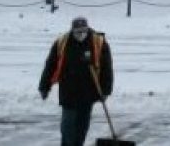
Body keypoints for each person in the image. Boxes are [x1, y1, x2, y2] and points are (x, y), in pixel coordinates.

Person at [38, 16, 113, 146]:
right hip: (68, 92)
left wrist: (106, 90)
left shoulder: (98, 43)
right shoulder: (62, 42)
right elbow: (51, 65)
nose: (81, 34)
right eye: (78, 32)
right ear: (72, 31)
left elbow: (107, 68)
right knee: (67, 128)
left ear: (88, 29)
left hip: (88, 93)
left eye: (84, 31)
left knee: (81, 128)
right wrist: (44, 86)